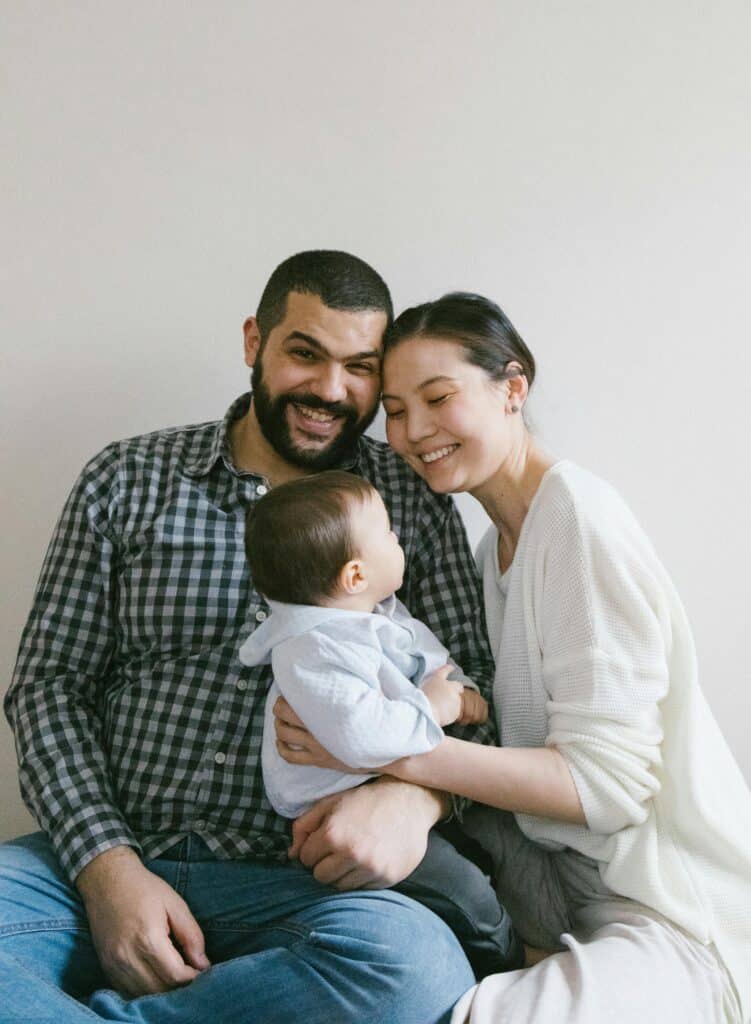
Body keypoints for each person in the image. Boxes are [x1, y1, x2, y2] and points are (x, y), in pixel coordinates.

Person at [1, 253, 497, 1024]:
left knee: (416, 972)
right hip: (113, 853)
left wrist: (415, 798)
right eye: (305, 353)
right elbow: (48, 686)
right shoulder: (127, 479)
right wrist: (108, 869)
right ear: (253, 343)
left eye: (359, 367)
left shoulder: (405, 500)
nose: (330, 390)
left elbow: (478, 688)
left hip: (300, 883)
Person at [275, 291, 751, 1023]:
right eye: (396, 410)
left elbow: (605, 787)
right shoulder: (493, 548)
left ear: (512, 388)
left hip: (675, 918)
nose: (413, 431)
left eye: (438, 398)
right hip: (565, 913)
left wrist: (383, 746)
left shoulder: (576, 519)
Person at [240, 470, 521, 977]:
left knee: (477, 856)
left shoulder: (374, 613)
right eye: (389, 534)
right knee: (465, 893)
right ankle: (506, 958)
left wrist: (458, 687)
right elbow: (365, 735)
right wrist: (439, 708)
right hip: (337, 812)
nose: (398, 539)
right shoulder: (314, 651)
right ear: (354, 575)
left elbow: (422, 654)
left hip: (386, 791)